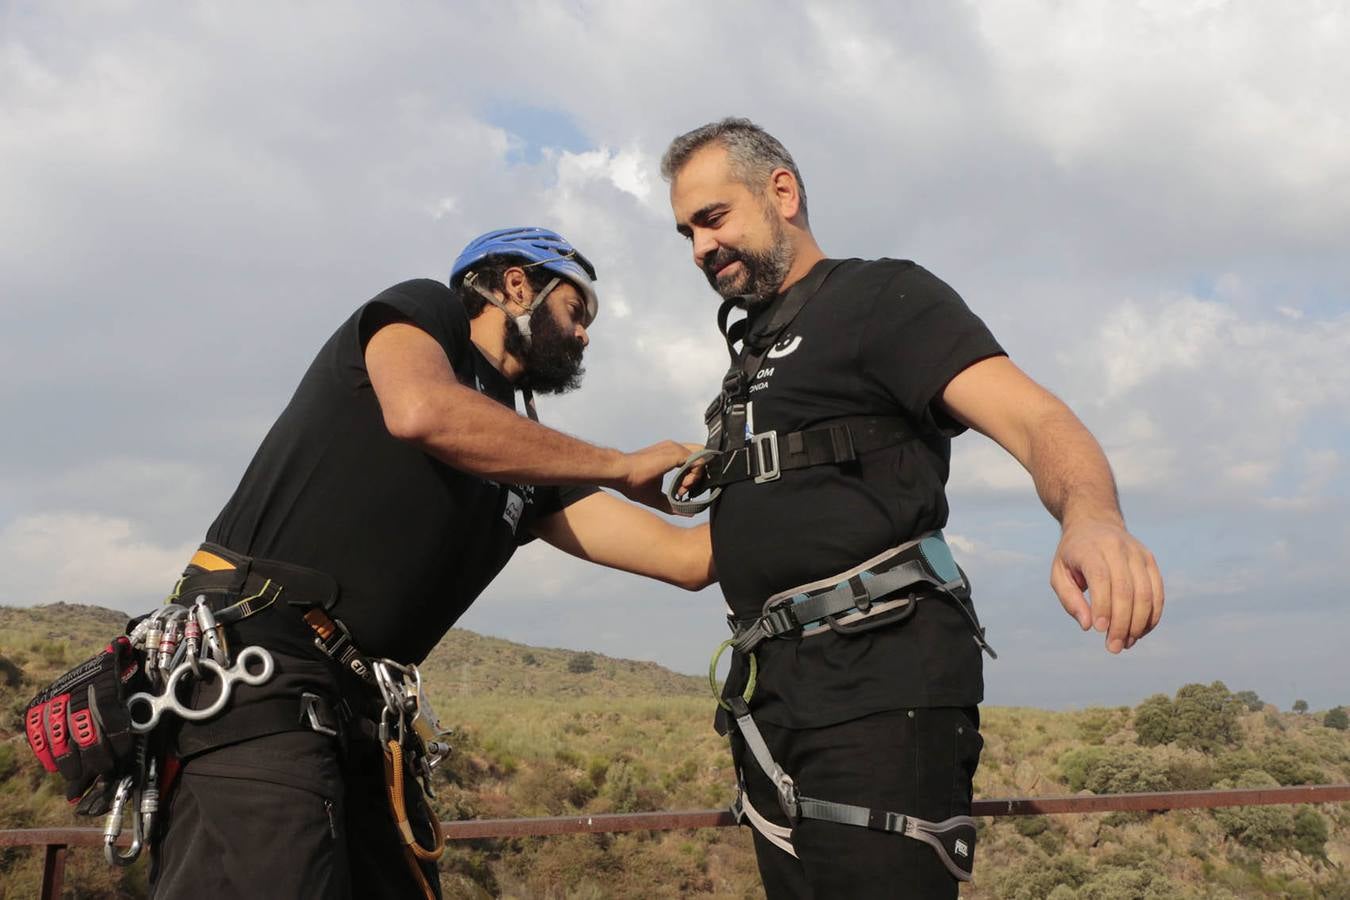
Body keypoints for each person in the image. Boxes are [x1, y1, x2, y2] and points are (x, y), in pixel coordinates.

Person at [661, 119, 1164, 898]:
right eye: (686, 231)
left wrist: (1091, 516)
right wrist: (536, 495)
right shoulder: (743, 374)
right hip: (775, 707)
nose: (699, 248)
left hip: (880, 683)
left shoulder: (880, 297)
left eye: (714, 218)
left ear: (782, 193)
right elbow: (702, 559)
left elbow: (1039, 421)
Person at [146, 226, 715, 899]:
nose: (586, 335)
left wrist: (784, 471)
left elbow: (689, 559)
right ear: (515, 284)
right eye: (575, 310)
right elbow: (422, 412)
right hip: (258, 672)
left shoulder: (530, 462)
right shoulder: (425, 313)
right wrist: (620, 465)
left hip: (356, 714)